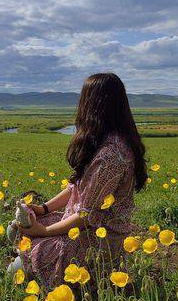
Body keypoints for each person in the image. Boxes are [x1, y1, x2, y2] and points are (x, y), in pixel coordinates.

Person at [11, 73, 148, 289]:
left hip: (99, 239)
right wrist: (43, 209)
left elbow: (86, 216)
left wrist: (43, 232)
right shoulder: (106, 141)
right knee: (18, 227)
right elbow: (74, 187)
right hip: (85, 226)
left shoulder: (112, 155)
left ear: (92, 105)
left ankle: (61, 279)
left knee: (20, 262)